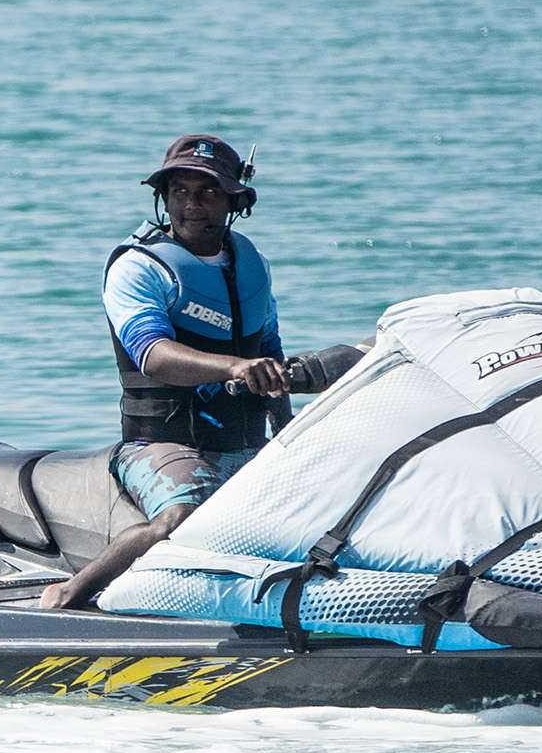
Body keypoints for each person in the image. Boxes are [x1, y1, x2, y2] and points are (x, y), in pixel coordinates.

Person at [43, 134, 359, 612]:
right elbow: (153, 354)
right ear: (163, 197)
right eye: (180, 193)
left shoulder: (251, 263)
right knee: (183, 518)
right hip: (159, 445)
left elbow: (269, 354)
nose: (192, 205)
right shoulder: (139, 268)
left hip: (242, 443)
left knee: (333, 512)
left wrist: (289, 438)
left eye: (208, 192)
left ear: (235, 201)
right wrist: (235, 366)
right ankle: (66, 599)